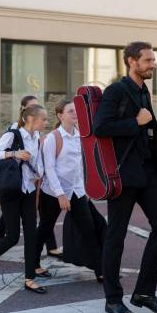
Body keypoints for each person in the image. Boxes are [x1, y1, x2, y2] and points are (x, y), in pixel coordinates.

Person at [93, 41, 157, 313]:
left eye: (153, 60)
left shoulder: (143, 91)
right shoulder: (116, 90)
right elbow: (100, 128)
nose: (153, 64)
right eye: (148, 60)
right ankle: (113, 300)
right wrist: (135, 123)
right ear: (131, 61)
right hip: (123, 175)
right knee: (116, 236)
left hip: (147, 172)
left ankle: (144, 293)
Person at [0, 104, 47, 294]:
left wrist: (38, 171)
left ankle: (29, 278)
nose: (46, 122)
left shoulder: (37, 138)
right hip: (10, 190)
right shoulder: (13, 135)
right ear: (31, 119)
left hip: (28, 190)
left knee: (31, 234)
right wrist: (14, 153)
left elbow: (38, 165)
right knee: (13, 236)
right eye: (44, 118)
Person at [36, 99, 103, 280]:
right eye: (70, 111)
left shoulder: (79, 136)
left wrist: (85, 190)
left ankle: (101, 271)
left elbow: (81, 166)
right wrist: (60, 195)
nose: (75, 114)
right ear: (60, 115)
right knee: (45, 228)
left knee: (89, 229)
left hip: (77, 191)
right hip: (53, 192)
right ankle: (33, 265)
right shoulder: (53, 138)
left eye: (76, 111)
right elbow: (49, 168)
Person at [0, 95, 63, 260]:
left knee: (34, 227)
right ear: (27, 114)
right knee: (13, 231)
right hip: (13, 185)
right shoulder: (15, 131)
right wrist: (14, 153)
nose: (43, 118)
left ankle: (34, 269)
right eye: (34, 108)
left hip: (30, 185)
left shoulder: (36, 135)